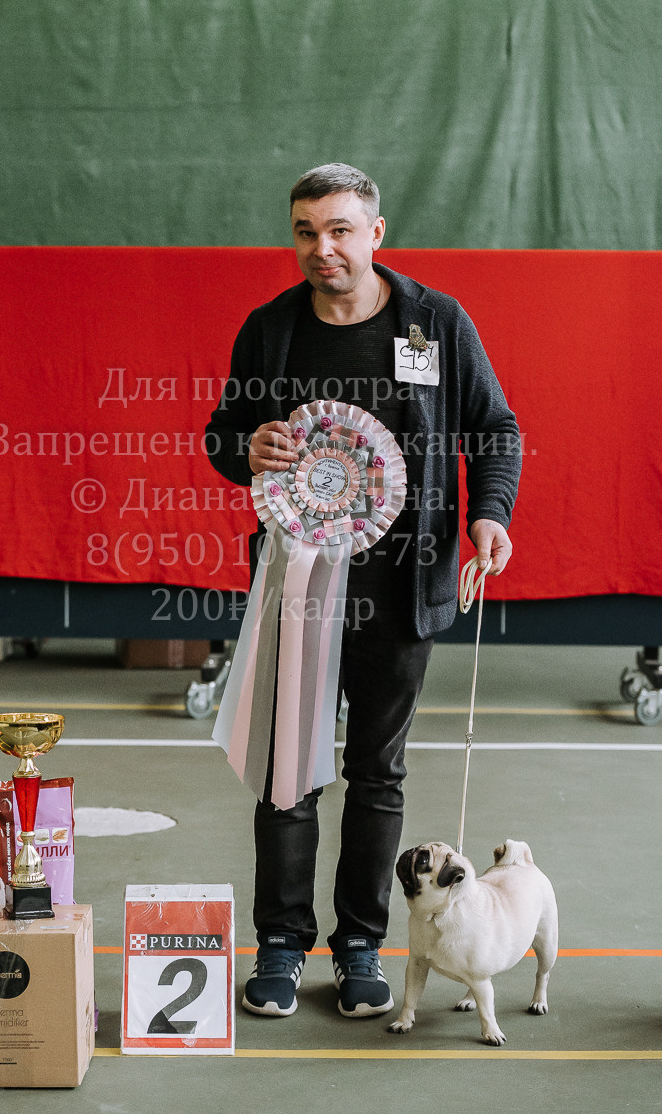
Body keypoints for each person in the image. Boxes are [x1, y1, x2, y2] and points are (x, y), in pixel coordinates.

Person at [205, 163, 521, 1019]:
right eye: (306, 232)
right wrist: (251, 449)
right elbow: (223, 436)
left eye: (341, 230)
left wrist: (488, 516)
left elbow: (494, 429)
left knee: (376, 774)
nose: (323, 249)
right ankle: (279, 944)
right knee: (286, 774)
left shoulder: (435, 322)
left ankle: (357, 947)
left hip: (403, 588)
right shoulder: (269, 330)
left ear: (376, 232)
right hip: (297, 589)